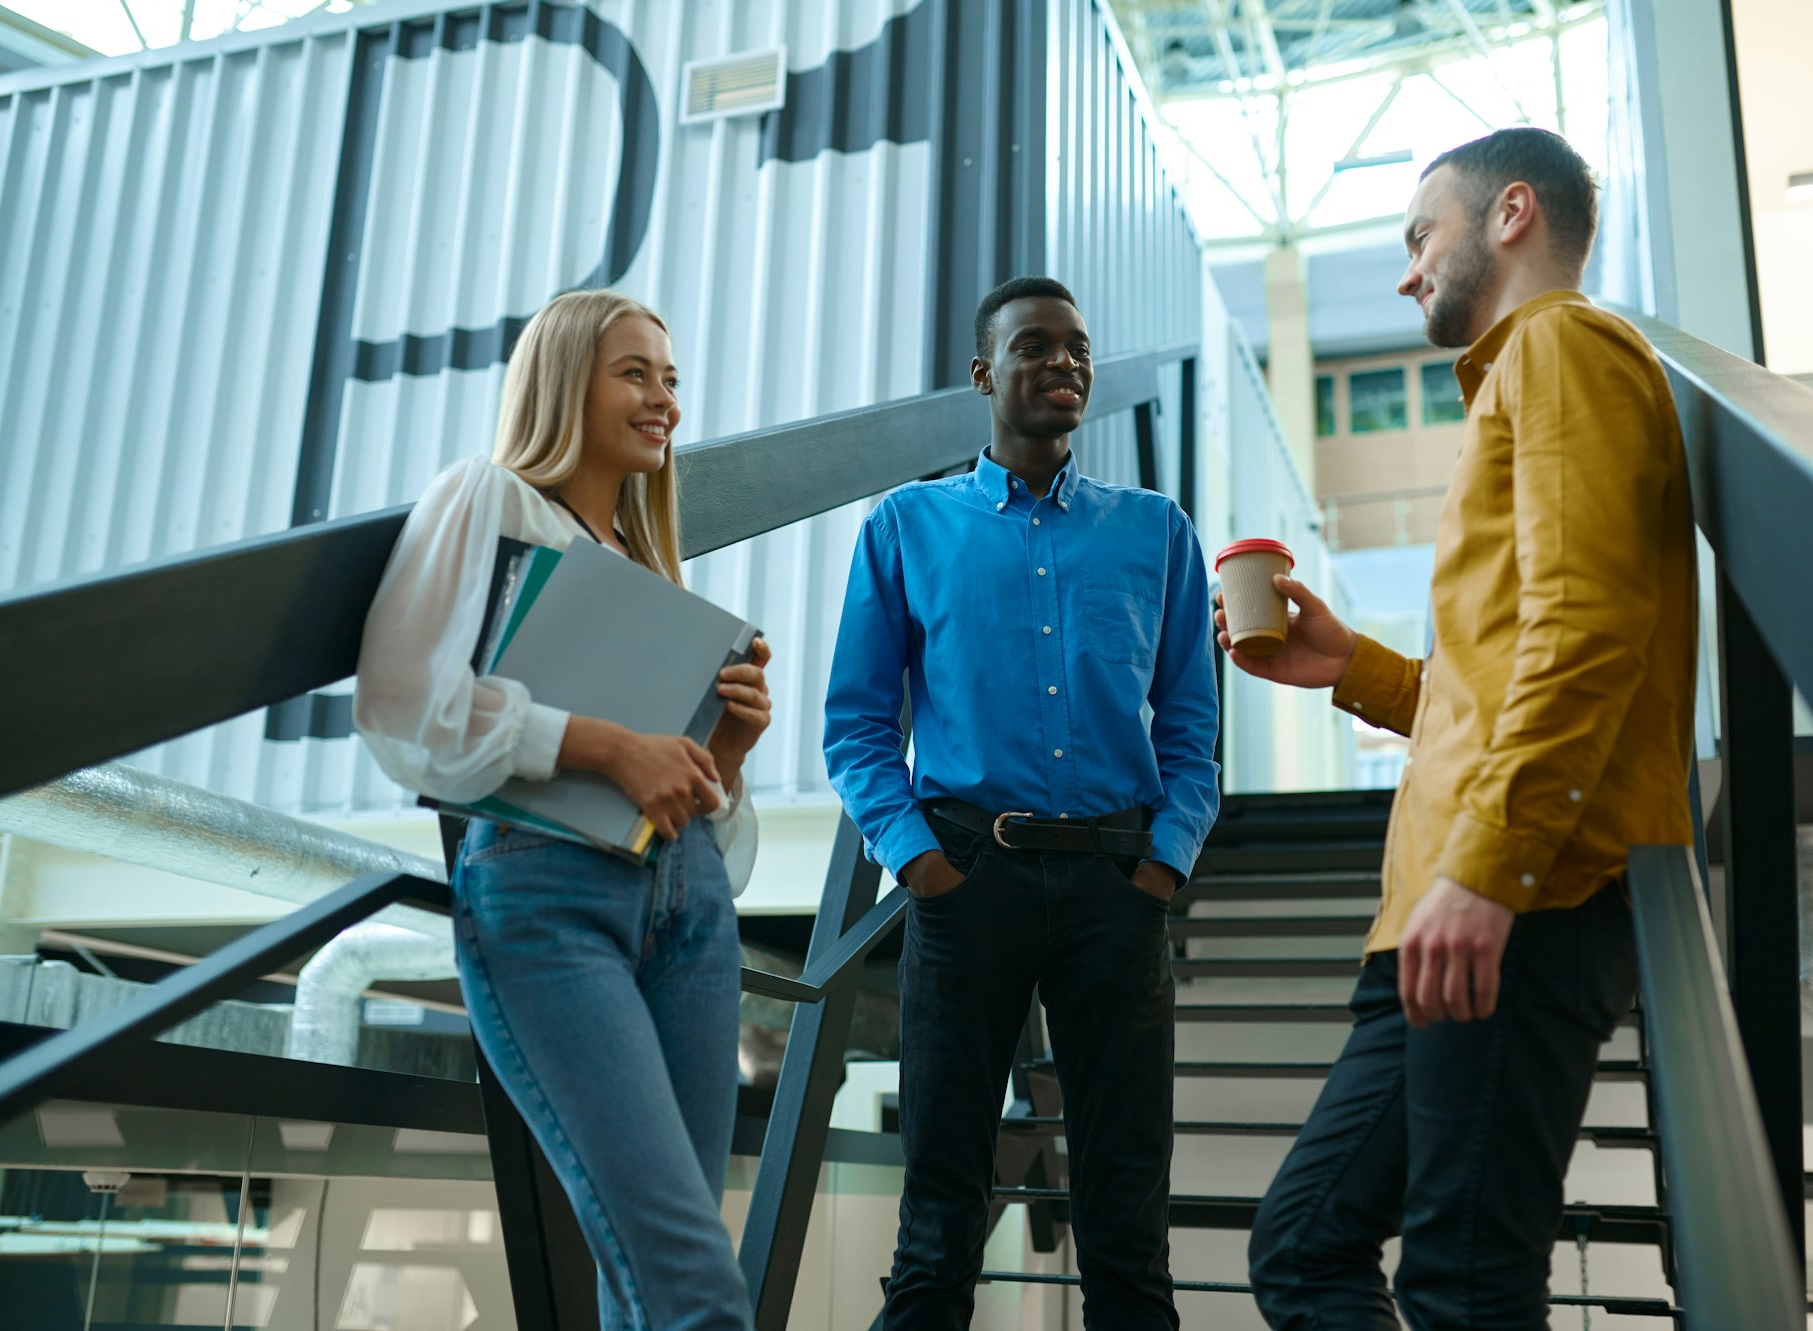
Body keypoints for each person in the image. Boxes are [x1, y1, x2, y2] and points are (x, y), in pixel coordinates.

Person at [1236, 127, 1697, 1330]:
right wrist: (1361, 671)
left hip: (1514, 894)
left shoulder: (1558, 346)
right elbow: (1509, 661)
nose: (1404, 272)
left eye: (1415, 237)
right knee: (1300, 1242)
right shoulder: (1527, 374)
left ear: (1507, 215)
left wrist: (1489, 867)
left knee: (1465, 1285)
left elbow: (1586, 625)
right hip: (1451, 906)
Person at [353, 289, 772, 1331]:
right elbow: (402, 708)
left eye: (671, 378)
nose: (662, 398)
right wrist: (602, 741)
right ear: (562, 380)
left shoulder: (652, 576)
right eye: (634, 372)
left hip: (690, 907)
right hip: (546, 899)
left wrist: (721, 751)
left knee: (657, 1278)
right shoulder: (488, 499)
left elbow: (706, 831)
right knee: (692, 1287)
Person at [823, 276, 1221, 1330]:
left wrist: (1162, 861)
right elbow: (855, 724)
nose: (1064, 363)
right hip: (967, 880)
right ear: (982, 373)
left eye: (1078, 347)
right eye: (1035, 346)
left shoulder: (1154, 531)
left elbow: (1188, 721)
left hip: (1115, 884)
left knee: (1127, 1215)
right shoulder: (905, 526)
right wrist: (919, 862)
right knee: (940, 1214)